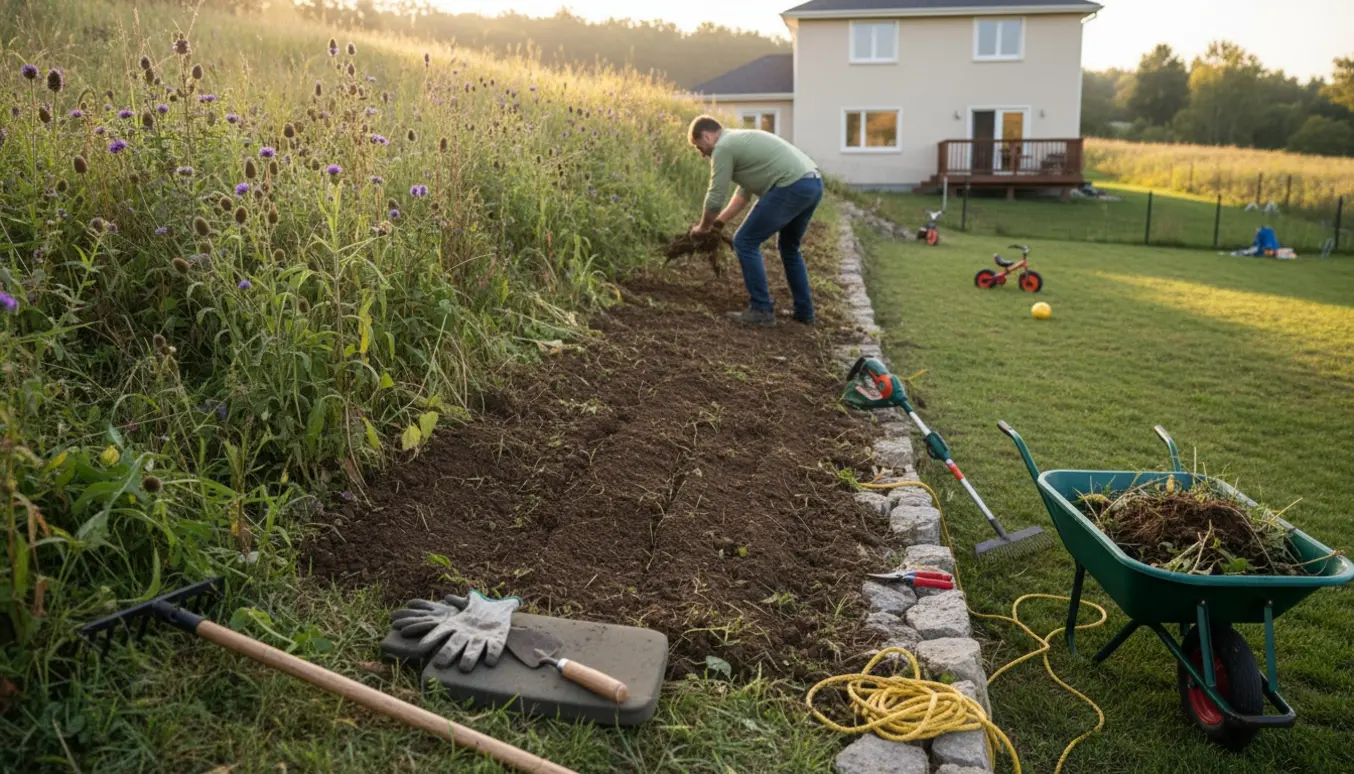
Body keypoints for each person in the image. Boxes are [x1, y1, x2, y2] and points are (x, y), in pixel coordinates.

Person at [687, 115, 823, 327]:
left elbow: (715, 198)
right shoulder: (739, 142)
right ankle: (804, 311)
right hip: (812, 184)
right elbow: (743, 195)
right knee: (789, 248)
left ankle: (761, 309)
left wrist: (702, 228)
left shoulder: (723, 147)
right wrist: (718, 225)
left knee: (745, 242)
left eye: (699, 147)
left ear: (706, 135)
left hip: (792, 184)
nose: (702, 153)